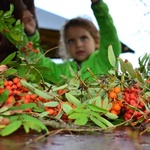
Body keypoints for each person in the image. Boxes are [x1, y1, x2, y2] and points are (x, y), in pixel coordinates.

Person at [19, 0, 121, 83]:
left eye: (84, 38)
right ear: (66, 46)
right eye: (71, 41)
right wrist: (31, 35)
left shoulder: (105, 60)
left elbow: (109, 34)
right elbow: (38, 63)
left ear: (96, 40)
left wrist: (97, 4)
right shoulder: (61, 71)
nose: (78, 45)